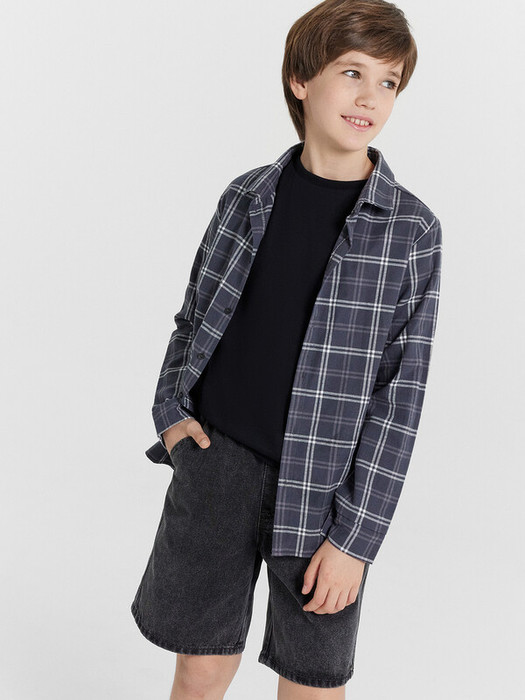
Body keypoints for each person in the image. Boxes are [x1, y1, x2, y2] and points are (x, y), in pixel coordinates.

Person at [131, 0, 443, 697]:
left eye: (388, 81)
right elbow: (194, 317)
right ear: (301, 80)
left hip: (324, 491)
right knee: (199, 665)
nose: (370, 97)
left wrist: (355, 540)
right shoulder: (247, 196)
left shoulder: (411, 231)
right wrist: (171, 414)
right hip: (215, 464)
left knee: (311, 679)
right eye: (352, 73)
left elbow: (401, 399)